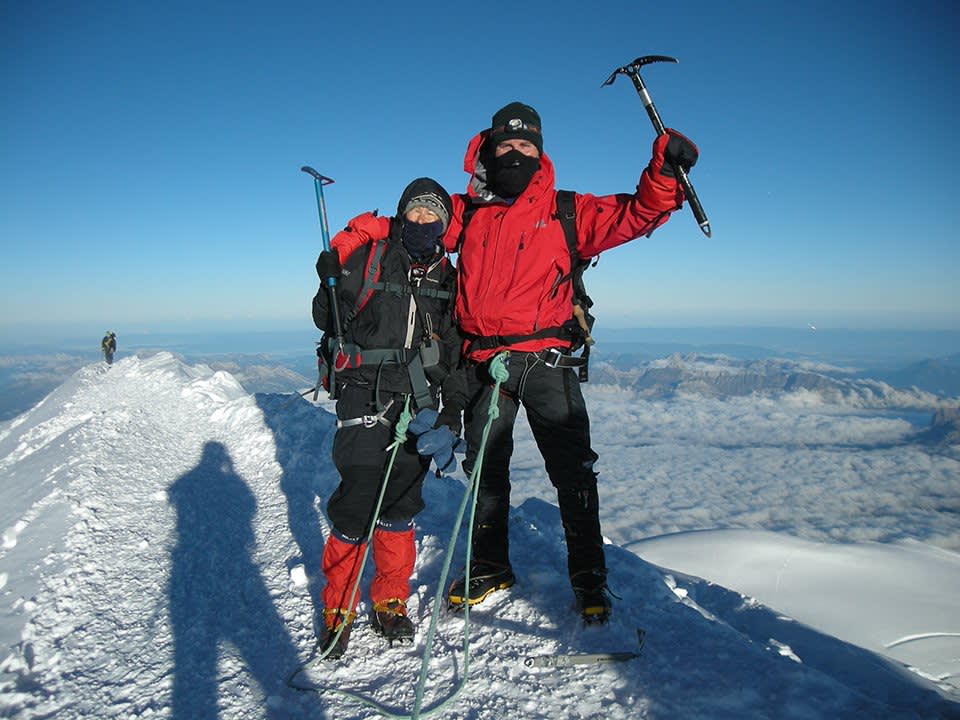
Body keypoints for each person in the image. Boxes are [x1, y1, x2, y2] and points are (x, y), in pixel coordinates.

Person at [333, 102, 700, 624]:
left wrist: (664, 172)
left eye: (526, 147)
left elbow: (636, 214)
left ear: (540, 153)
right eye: (506, 146)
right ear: (488, 150)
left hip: (546, 360)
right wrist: (356, 235)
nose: (516, 154)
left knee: (573, 473)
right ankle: (489, 564)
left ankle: (589, 577)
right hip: (485, 361)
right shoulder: (468, 214)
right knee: (484, 470)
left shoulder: (567, 212)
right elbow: (414, 220)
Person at [311, 177, 467, 658]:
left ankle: (391, 600)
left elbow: (459, 350)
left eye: (432, 215)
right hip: (364, 395)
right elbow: (325, 317)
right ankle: (338, 607)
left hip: (419, 403)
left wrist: (453, 413)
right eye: (415, 212)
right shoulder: (370, 257)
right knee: (357, 501)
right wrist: (329, 281)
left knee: (400, 503)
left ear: (444, 224)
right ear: (402, 216)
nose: (423, 221)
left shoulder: (449, 277)